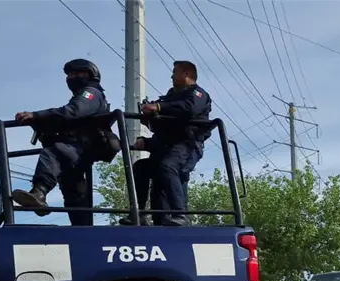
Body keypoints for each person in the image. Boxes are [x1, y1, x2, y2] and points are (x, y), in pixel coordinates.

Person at [11, 59, 111, 226]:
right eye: (69, 74)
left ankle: (39, 192)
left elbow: (74, 111)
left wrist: (37, 115)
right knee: (73, 190)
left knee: (53, 152)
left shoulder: (91, 93)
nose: (71, 77)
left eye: (76, 73)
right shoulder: (81, 95)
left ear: (89, 74)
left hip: (83, 147)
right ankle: (83, 231)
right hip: (75, 149)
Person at [119, 60, 211, 226]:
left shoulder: (197, 94)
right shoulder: (170, 98)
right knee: (141, 167)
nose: (171, 75)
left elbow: (189, 109)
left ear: (187, 74)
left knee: (168, 167)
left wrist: (159, 107)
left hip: (187, 146)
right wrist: (145, 141)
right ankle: (138, 214)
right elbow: (164, 130)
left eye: (175, 71)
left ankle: (180, 215)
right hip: (166, 148)